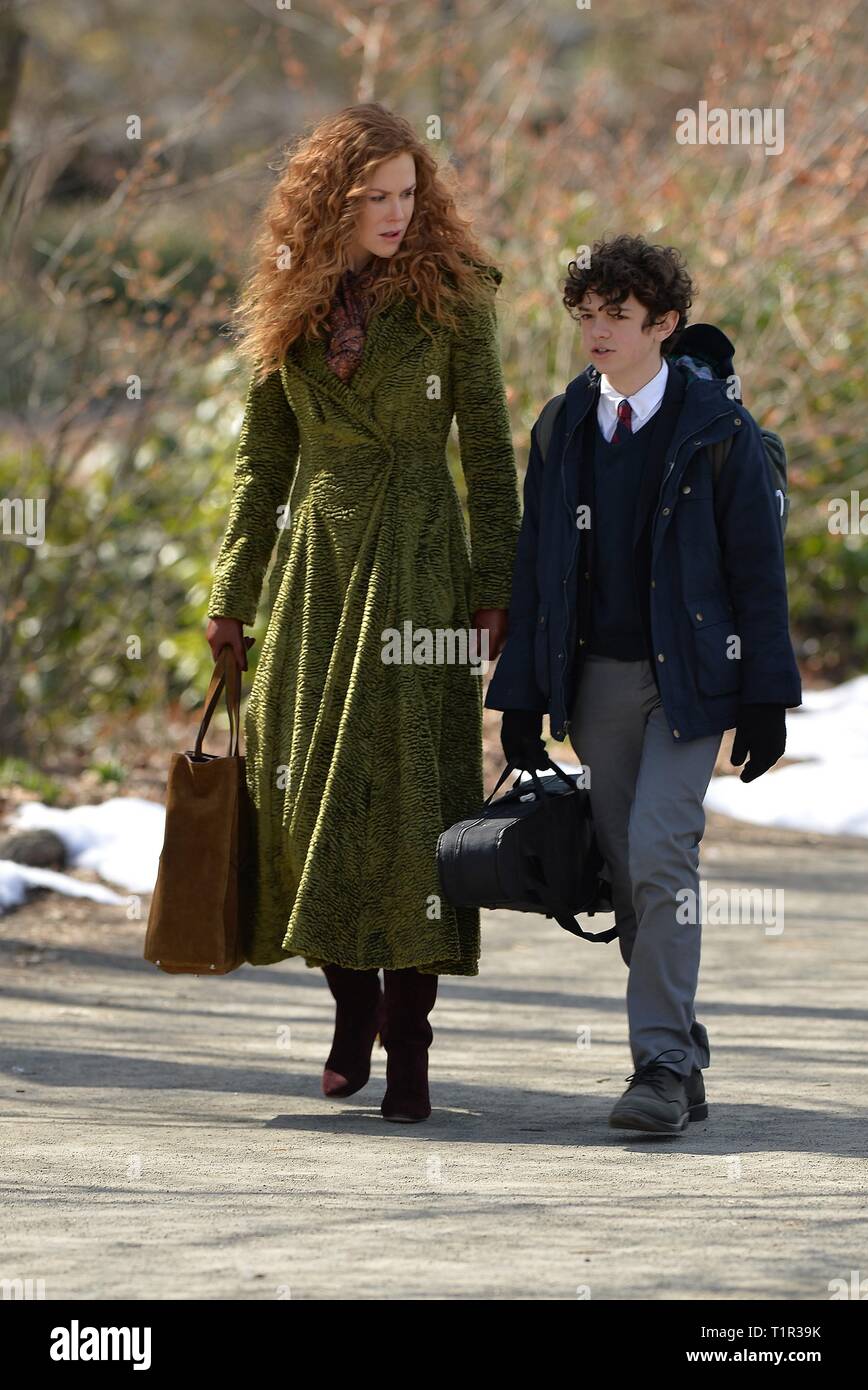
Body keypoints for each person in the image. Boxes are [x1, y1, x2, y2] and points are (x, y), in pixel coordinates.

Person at [205, 104, 521, 1123]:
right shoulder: (288, 304)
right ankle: (351, 1008)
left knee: (412, 801)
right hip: (316, 571)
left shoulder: (456, 302)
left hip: (419, 565)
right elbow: (262, 466)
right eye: (373, 196)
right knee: (305, 797)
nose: (395, 212)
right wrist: (230, 598)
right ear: (329, 201)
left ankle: (413, 1040)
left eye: (405, 193)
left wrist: (496, 586)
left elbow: (485, 452)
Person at [484, 234, 802, 1135]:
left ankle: (656, 1066)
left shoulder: (717, 430)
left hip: (695, 682)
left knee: (662, 850)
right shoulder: (561, 427)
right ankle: (680, 1048)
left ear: (664, 324)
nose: (595, 332)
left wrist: (765, 698)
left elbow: (756, 571)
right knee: (628, 871)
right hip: (596, 684)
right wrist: (518, 697)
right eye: (585, 315)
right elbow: (536, 570)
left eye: (615, 317)